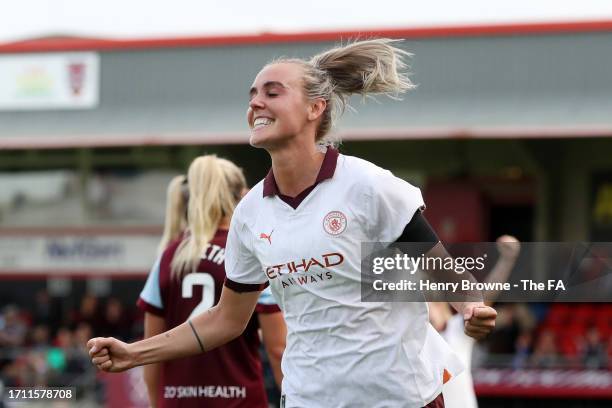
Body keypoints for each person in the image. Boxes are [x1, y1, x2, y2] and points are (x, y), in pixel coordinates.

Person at [88, 38, 497, 408]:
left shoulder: (367, 186)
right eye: (252, 96)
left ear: (314, 108)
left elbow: (440, 265)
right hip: (307, 399)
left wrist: (470, 306)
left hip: (399, 398)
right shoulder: (250, 214)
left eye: (272, 92)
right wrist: (134, 352)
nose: (255, 104)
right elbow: (226, 320)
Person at [137, 157, 285, 408]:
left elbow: (150, 353)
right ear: (241, 197)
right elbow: (278, 348)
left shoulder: (168, 257)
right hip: (238, 400)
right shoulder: (248, 254)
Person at [429, 235, 521, 408]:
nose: (428, 309)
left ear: (443, 307)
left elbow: (484, 300)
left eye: (432, 303)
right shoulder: (417, 338)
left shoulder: (456, 329)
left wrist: (507, 260)